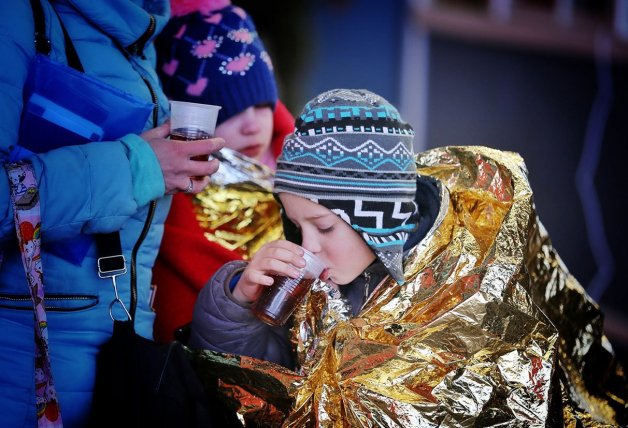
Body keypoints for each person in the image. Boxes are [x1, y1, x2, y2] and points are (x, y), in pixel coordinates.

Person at [188, 89, 627, 425]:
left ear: (379, 220)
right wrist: (237, 304)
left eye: (323, 226)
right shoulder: (317, 284)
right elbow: (261, 372)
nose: (309, 247)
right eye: (297, 226)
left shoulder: (464, 293)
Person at [0, 1, 224, 426]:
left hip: (118, 357)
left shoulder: (139, 37)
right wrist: (137, 167)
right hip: (24, 366)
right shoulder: (17, 15)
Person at [151, 1, 294, 343]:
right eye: (230, 111)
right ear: (189, 123)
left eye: (262, 106)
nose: (252, 126)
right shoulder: (175, 201)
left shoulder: (301, 177)